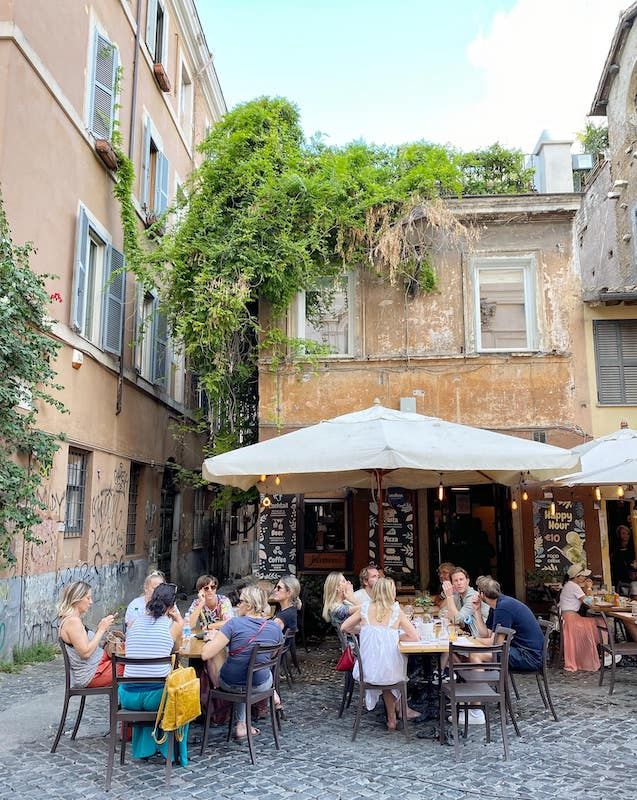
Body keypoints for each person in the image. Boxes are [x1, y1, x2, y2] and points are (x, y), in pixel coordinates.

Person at [201, 584, 283, 741]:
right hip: (261, 684)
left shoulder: (233, 624)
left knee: (234, 670)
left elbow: (205, 654)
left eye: (240, 601)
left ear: (250, 605)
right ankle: (271, 693)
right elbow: (273, 655)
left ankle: (241, 724)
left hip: (230, 684)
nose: (237, 605)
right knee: (252, 672)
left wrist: (213, 639)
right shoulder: (274, 628)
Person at [118, 582, 187, 764]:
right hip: (156, 699)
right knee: (182, 695)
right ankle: (172, 751)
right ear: (171, 607)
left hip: (128, 697)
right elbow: (177, 651)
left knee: (148, 680)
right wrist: (179, 620)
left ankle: (143, 749)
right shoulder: (172, 626)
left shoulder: (133, 623)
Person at [341, 577, 420, 730]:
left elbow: (344, 627)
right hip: (390, 672)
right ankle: (397, 713)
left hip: (366, 671)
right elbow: (414, 636)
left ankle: (392, 718)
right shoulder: (396, 611)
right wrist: (395, 636)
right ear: (391, 592)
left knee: (383, 670)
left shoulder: (364, 608)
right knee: (391, 670)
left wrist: (363, 631)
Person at [471, 575, 544, 672]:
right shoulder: (497, 605)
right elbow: (485, 634)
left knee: (476, 654)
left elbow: (496, 643)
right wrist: (477, 611)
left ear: (482, 594)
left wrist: (471, 640)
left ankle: (481, 687)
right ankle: (482, 684)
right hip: (520, 650)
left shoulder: (503, 608)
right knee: (475, 650)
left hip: (529, 656)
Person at [57, 581, 120, 688]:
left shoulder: (73, 620)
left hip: (99, 667)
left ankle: (125, 702)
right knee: (133, 668)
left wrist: (104, 632)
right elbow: (85, 653)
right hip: (93, 674)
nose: (91, 602)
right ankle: (133, 703)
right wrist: (101, 629)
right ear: (77, 599)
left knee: (132, 664)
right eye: (88, 598)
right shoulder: (73, 622)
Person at [558, 564, 604, 672]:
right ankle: (605, 653)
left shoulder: (570, 585)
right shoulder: (574, 586)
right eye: (582, 576)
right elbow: (590, 602)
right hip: (571, 619)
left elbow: (587, 599)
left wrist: (586, 588)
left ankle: (603, 652)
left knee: (596, 621)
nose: (585, 578)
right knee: (600, 622)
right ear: (576, 577)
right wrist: (588, 587)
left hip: (568, 617)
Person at [441, 567, 489, 636]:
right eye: (455, 580)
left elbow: (457, 619)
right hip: (470, 636)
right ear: (452, 584)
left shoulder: (473, 596)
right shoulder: (458, 595)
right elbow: (442, 613)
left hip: (482, 637)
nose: (459, 583)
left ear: (467, 581)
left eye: (461, 579)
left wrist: (449, 596)